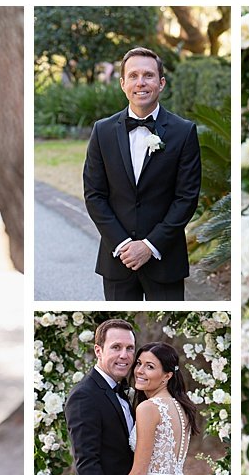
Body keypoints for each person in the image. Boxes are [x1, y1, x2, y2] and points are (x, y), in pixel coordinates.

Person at [83, 46, 202, 301]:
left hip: (165, 258)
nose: (141, 82)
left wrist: (149, 246)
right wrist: (123, 244)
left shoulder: (184, 132)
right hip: (118, 260)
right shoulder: (102, 132)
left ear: (161, 83)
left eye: (148, 75)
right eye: (133, 76)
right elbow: (94, 195)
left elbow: (186, 197)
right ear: (123, 83)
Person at [65, 319, 140, 475]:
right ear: (98, 351)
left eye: (130, 348)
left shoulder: (124, 390)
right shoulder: (84, 395)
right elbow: (87, 463)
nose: (124, 355)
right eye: (116, 347)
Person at [115, 343, 200, 475]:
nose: (140, 371)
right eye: (139, 363)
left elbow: (139, 472)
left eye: (150, 366)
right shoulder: (182, 406)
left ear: (167, 376)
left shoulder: (148, 408)